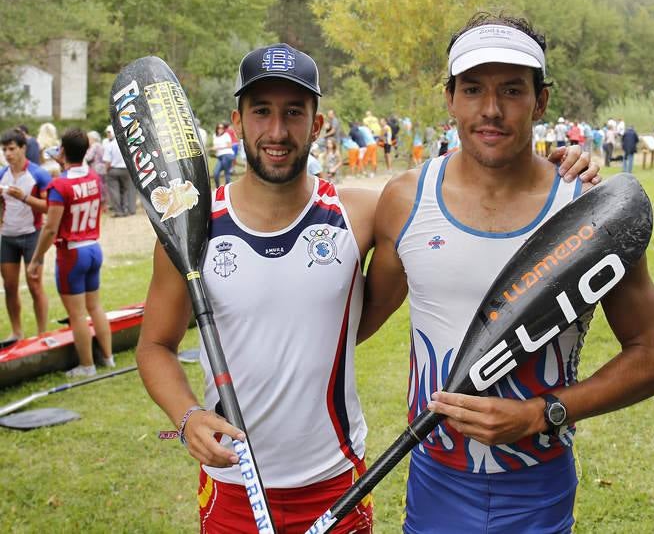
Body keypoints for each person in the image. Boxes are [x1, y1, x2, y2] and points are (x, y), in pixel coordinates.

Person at [135, 41, 598, 534]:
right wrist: (186, 416)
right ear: (237, 121)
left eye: (294, 113)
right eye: (261, 111)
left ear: (317, 124)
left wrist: (557, 163)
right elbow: (155, 346)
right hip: (231, 483)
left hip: (337, 481)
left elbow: (457, 191)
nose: (277, 131)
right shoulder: (192, 230)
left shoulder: (360, 213)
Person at [357, 12, 654, 533]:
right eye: (473, 89)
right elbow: (355, 324)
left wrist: (540, 413)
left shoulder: (590, 211)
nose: (491, 109)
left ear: (540, 101)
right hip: (435, 478)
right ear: (450, 98)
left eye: (511, 89)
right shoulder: (406, 200)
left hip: (539, 487)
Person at [27, 128, 114, 377]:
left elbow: (50, 228)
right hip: (93, 247)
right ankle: (108, 358)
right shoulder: (93, 177)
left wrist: (36, 259)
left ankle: (87, 365)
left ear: (62, 150)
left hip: (72, 253)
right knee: (95, 307)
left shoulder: (59, 184)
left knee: (76, 314)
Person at [0, 129, 51, 340]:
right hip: (7, 236)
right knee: (9, 286)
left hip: (32, 235)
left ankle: (42, 334)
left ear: (23, 148)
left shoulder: (38, 174)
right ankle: (16, 332)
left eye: (12, 149)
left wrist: (24, 197)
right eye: (4, 149)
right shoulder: (2, 174)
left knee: (35, 285)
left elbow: (49, 207)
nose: (7, 154)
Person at [103, 126, 137, 217]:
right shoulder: (127, 143)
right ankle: (126, 209)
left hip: (113, 170)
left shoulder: (110, 145)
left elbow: (107, 161)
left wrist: (106, 171)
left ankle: (118, 211)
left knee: (114, 191)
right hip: (126, 170)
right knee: (126, 190)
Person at [212, 123, 235, 188]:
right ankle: (218, 188)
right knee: (215, 173)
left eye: (222, 128)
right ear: (217, 128)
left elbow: (229, 145)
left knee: (226, 173)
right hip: (220, 157)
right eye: (219, 128)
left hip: (227, 155)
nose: (220, 129)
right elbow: (215, 146)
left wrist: (219, 147)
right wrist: (212, 149)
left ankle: (228, 189)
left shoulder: (226, 135)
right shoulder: (214, 136)